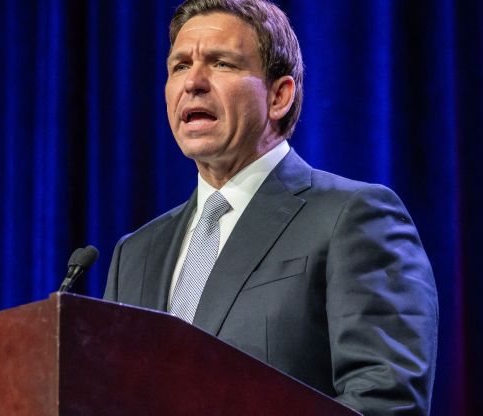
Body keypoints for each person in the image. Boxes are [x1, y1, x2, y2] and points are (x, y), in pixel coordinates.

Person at [103, 0, 438, 415]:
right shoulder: (134, 254)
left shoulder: (353, 218)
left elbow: (385, 402)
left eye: (221, 63)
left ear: (279, 96)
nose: (194, 82)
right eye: (179, 66)